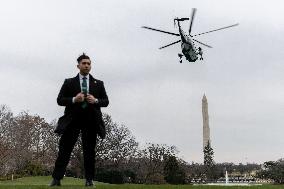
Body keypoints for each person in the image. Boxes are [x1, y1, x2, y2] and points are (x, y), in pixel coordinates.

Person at [50, 53, 109, 187]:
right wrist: (73, 99)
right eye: (84, 63)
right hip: (72, 121)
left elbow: (106, 101)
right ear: (78, 66)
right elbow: (59, 100)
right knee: (64, 149)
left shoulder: (99, 84)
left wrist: (95, 100)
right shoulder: (69, 82)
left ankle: (89, 180)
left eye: (89, 63)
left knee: (89, 152)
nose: (87, 65)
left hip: (91, 121)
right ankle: (56, 179)